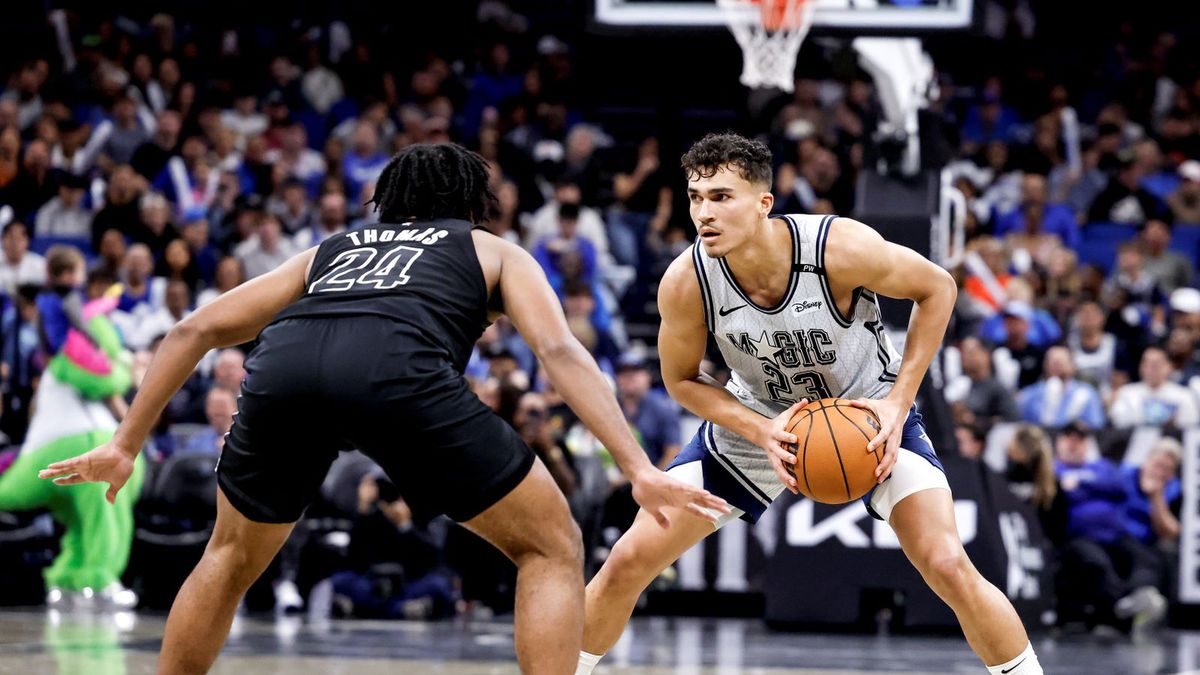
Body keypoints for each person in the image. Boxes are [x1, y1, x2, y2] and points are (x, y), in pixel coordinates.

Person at [40, 142, 726, 675]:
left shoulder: (330, 250)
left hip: (284, 370)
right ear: (471, 201)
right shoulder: (490, 249)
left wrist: (128, 441)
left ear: (391, 199)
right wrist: (636, 463)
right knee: (550, 545)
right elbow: (560, 350)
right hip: (398, 374)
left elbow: (194, 329)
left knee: (226, 555)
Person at [576, 134, 1042, 675]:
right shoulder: (686, 282)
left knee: (947, 564)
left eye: (722, 197)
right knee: (627, 562)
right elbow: (681, 381)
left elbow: (937, 288)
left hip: (868, 413)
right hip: (759, 419)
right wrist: (760, 430)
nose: (704, 212)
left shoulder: (836, 249)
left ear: (764, 203)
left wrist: (897, 403)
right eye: (695, 198)